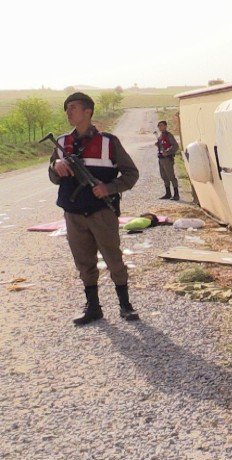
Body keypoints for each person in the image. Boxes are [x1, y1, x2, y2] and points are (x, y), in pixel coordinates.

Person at [48, 92, 140, 325]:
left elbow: (131, 174)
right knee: (84, 262)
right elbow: (54, 178)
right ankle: (93, 307)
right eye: (67, 108)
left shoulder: (109, 142)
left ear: (88, 111)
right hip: (73, 212)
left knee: (113, 259)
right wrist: (55, 165)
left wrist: (109, 188)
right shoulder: (61, 143)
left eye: (74, 107)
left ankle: (125, 305)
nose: (69, 112)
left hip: (102, 212)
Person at [155, 120, 180, 200]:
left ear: (165, 126)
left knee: (171, 176)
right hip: (161, 159)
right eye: (159, 126)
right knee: (164, 176)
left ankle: (176, 194)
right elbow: (162, 146)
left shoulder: (169, 135)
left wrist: (168, 152)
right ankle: (168, 193)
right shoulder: (160, 136)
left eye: (161, 125)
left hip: (167, 159)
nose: (160, 127)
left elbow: (175, 146)